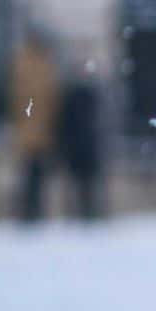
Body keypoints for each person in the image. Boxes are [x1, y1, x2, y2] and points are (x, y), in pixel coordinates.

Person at [8, 29, 61, 224]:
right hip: (38, 132)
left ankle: (29, 213)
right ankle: (31, 213)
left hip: (31, 131)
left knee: (31, 175)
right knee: (34, 176)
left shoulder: (25, 63)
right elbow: (45, 99)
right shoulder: (40, 65)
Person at [55, 70, 106, 222]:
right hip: (85, 150)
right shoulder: (89, 99)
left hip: (81, 150)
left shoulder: (73, 98)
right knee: (86, 186)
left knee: (83, 186)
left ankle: (83, 214)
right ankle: (86, 213)